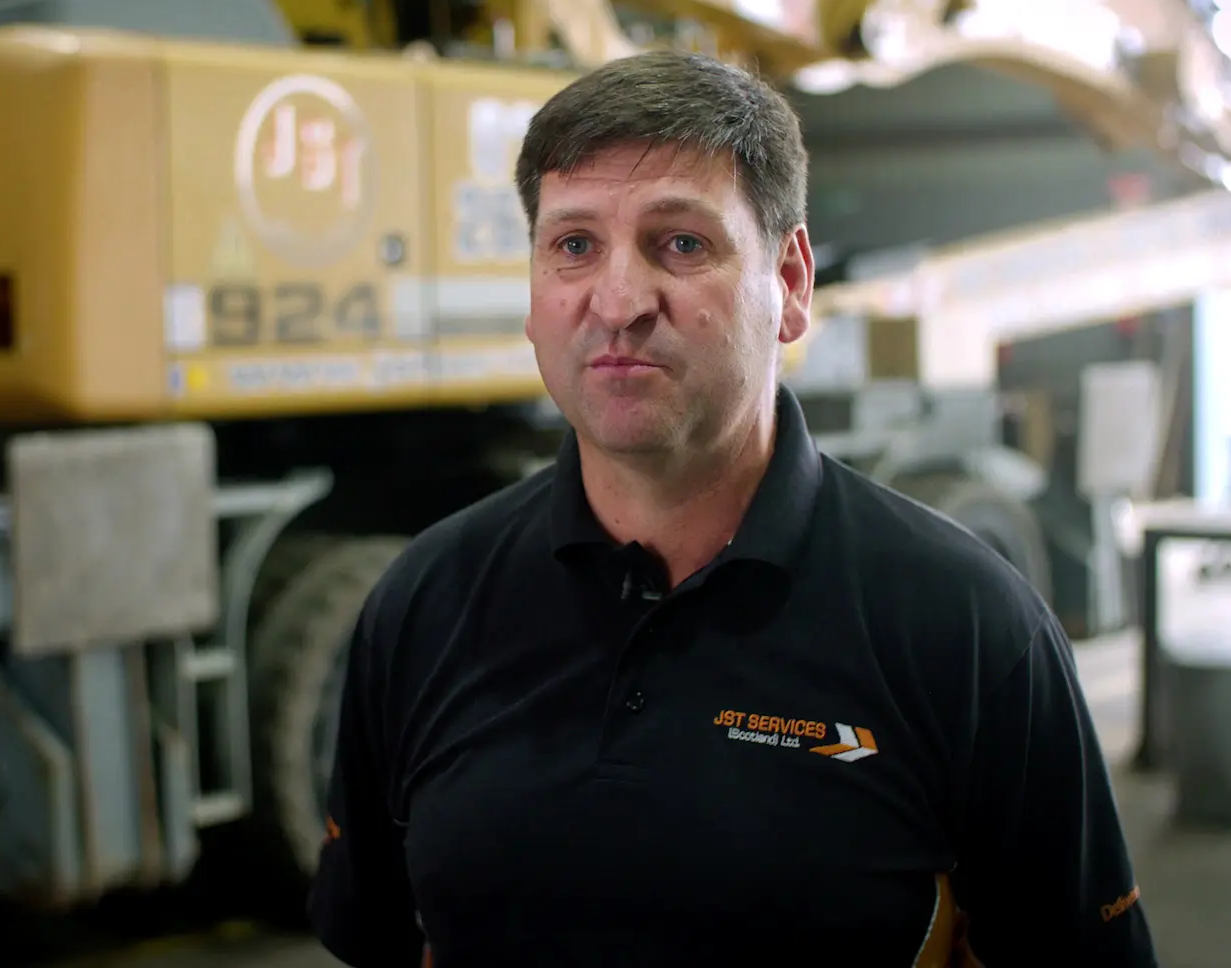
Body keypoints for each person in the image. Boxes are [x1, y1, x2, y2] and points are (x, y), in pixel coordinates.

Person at [307, 49, 1156, 967]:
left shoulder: (968, 630)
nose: (619, 302)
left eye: (682, 243)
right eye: (574, 246)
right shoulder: (426, 604)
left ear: (789, 284)